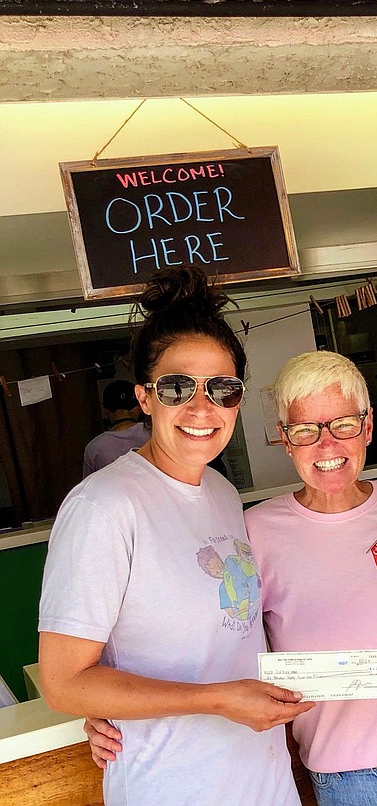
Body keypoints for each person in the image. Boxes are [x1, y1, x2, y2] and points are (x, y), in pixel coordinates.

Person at [88, 350, 377, 805]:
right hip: (344, 778)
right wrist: (105, 708)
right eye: (306, 431)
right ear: (285, 441)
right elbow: (210, 641)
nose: (327, 447)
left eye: (344, 424)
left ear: (367, 427)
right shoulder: (254, 532)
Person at [39, 265, 312, 806]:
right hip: (172, 787)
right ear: (144, 397)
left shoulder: (222, 493)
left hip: (264, 781)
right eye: (176, 386)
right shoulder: (103, 506)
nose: (201, 406)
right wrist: (218, 701)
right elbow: (64, 682)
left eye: (222, 388)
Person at [82, 379, 150, 476]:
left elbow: (88, 487)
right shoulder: (155, 434)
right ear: (139, 407)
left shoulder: (94, 448)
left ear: (105, 409)